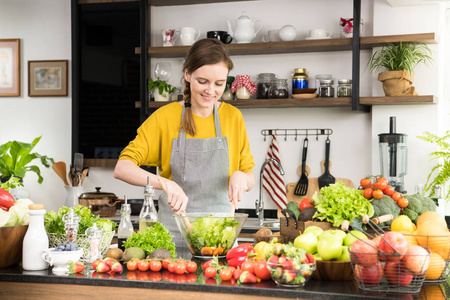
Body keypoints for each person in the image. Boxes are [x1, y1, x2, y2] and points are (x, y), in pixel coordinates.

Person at [114, 38, 255, 249]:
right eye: (202, 81)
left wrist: (241, 177)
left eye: (219, 84)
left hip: (220, 238)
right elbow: (122, 168)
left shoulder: (233, 117)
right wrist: (165, 183)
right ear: (187, 74)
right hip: (173, 237)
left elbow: (249, 176)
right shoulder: (166, 117)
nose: (211, 91)